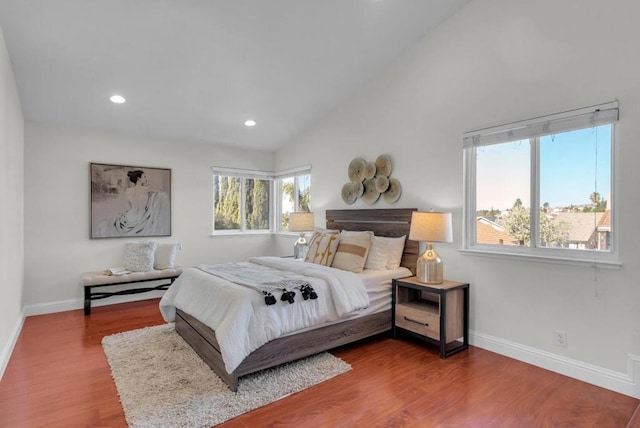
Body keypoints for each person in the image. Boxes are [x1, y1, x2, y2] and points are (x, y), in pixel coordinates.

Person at [94, 169, 170, 237]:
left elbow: (130, 204)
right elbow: (160, 191)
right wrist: (149, 185)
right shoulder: (147, 188)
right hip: (141, 217)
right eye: (144, 177)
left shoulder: (128, 191)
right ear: (139, 179)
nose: (146, 179)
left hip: (130, 216)